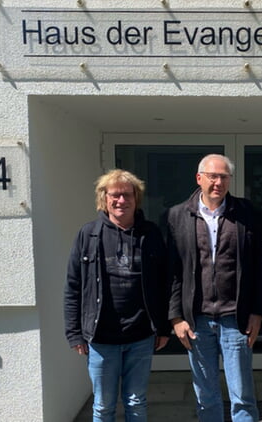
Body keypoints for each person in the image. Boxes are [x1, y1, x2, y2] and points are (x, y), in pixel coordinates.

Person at [166, 154, 262, 422]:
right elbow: (173, 272)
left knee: (242, 396)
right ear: (199, 178)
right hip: (196, 320)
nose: (218, 182)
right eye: (213, 176)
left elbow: (259, 267)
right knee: (206, 396)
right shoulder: (178, 216)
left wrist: (257, 312)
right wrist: (176, 317)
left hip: (236, 318)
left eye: (224, 176)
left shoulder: (247, 213)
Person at [64, 169, 170, 422]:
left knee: (136, 403)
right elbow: (73, 286)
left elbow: (165, 282)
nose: (121, 200)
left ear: (136, 198)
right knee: (103, 406)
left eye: (127, 195)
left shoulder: (151, 233)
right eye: (115, 195)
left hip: (141, 336)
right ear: (104, 198)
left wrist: (164, 327)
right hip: (101, 338)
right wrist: (74, 332)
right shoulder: (88, 235)